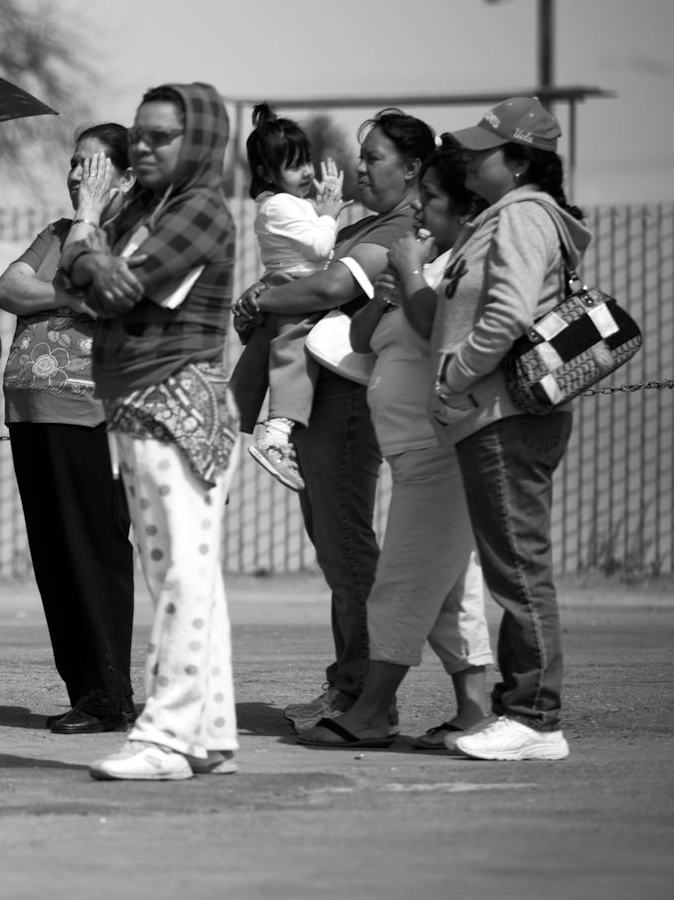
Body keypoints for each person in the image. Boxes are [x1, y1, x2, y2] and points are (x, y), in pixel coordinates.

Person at [232, 108, 437, 733]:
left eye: (374, 157)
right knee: (333, 546)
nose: (360, 165)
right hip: (320, 398)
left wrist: (261, 297)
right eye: (362, 152)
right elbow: (311, 280)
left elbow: (324, 291)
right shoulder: (368, 221)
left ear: (412, 170)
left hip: (347, 400)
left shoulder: (404, 226)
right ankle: (349, 684)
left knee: (346, 548)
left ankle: (366, 696)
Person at [58, 83, 239, 780]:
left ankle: (165, 737)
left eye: (162, 136)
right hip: (137, 402)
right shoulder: (143, 205)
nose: (143, 146)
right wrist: (88, 238)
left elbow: (114, 288)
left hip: (179, 405)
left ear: (196, 142)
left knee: (181, 577)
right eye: (139, 133)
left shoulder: (201, 211)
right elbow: (78, 284)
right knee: (179, 573)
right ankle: (210, 733)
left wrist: (87, 245)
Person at [296, 145, 494, 749]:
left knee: (402, 582)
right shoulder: (430, 264)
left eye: (431, 200)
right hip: (414, 452)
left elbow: (448, 333)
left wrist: (408, 273)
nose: (421, 211)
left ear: (462, 209)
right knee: (449, 594)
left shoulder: (460, 266)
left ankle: (372, 712)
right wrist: (391, 286)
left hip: (441, 446)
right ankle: (474, 711)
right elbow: (362, 335)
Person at [429, 97, 589, 761]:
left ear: (520, 161)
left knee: (518, 571)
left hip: (503, 417)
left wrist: (455, 376)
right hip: (496, 418)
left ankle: (536, 718)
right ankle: (523, 711)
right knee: (512, 568)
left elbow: (507, 316)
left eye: (482, 149)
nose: (467, 157)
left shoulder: (522, 216)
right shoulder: (505, 216)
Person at [0, 124, 136, 734]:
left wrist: (58, 294)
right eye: (74, 163)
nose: (78, 174)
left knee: (93, 554)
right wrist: (65, 293)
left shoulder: (130, 234)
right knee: (55, 560)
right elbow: (6, 287)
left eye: (93, 165)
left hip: (91, 415)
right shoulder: (58, 233)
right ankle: (84, 690)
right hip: (34, 415)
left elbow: (103, 294)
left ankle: (110, 692)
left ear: (127, 177)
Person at [230, 104, 344, 491]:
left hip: (283, 287)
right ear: (267, 174)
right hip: (296, 292)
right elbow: (318, 248)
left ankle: (216, 449)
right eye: (296, 166)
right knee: (298, 354)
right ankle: (276, 433)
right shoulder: (278, 205)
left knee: (250, 376)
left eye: (307, 161)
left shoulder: (292, 204)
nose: (308, 172)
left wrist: (322, 206)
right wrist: (329, 213)